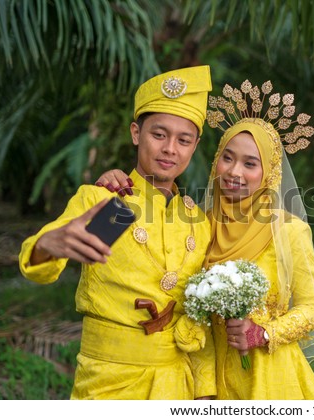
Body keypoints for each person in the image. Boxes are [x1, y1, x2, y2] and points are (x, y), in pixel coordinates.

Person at [96, 79, 314, 399]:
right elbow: (193, 315)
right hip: (211, 383)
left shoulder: (287, 230)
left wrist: (264, 333)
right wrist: (204, 391)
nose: (234, 172)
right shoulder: (198, 226)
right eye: (227, 158)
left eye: (250, 163)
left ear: (269, 173)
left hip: (270, 380)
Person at [18, 66, 217, 400]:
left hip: (177, 385)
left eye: (184, 140)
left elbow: (198, 316)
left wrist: (205, 393)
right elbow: (40, 265)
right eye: (159, 134)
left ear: (195, 146)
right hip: (108, 383)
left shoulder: (197, 220)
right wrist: (47, 244)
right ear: (136, 133)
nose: (170, 148)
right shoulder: (106, 201)